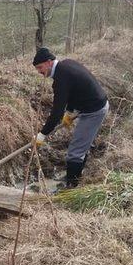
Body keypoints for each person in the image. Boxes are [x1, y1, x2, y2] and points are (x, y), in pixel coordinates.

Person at [32, 47, 109, 189]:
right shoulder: (65, 65)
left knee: (74, 152)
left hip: (94, 110)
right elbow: (73, 92)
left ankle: (71, 186)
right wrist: (70, 112)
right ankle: (74, 175)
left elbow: (56, 113)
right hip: (92, 105)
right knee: (80, 146)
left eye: (40, 67)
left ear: (49, 62)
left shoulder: (61, 78)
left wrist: (43, 134)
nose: (39, 72)